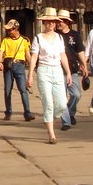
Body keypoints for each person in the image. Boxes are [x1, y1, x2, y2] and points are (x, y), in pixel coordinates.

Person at [27, 7, 71, 144]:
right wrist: (30, 75)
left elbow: (62, 55)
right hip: (44, 70)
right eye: (48, 21)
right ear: (44, 22)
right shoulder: (38, 38)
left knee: (62, 104)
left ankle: (49, 118)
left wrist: (68, 72)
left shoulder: (59, 37)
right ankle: (51, 134)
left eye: (53, 21)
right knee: (48, 103)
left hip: (57, 70)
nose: (51, 24)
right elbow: (34, 57)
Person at [0, 19, 36, 122]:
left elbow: (27, 54)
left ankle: (27, 113)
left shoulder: (24, 40)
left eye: (10, 30)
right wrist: (0, 62)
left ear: (16, 29)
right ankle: (8, 112)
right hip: (8, 66)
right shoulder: (5, 40)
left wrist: (32, 66)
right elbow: (1, 52)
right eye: (8, 30)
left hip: (20, 65)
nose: (9, 32)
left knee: (23, 90)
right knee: (7, 90)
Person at [56, 9, 88, 131]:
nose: (59, 23)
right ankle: (66, 122)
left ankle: (70, 112)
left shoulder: (74, 35)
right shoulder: (55, 35)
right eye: (58, 21)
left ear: (67, 22)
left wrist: (84, 65)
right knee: (62, 97)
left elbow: (80, 51)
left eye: (61, 21)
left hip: (72, 69)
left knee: (76, 94)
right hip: (58, 69)